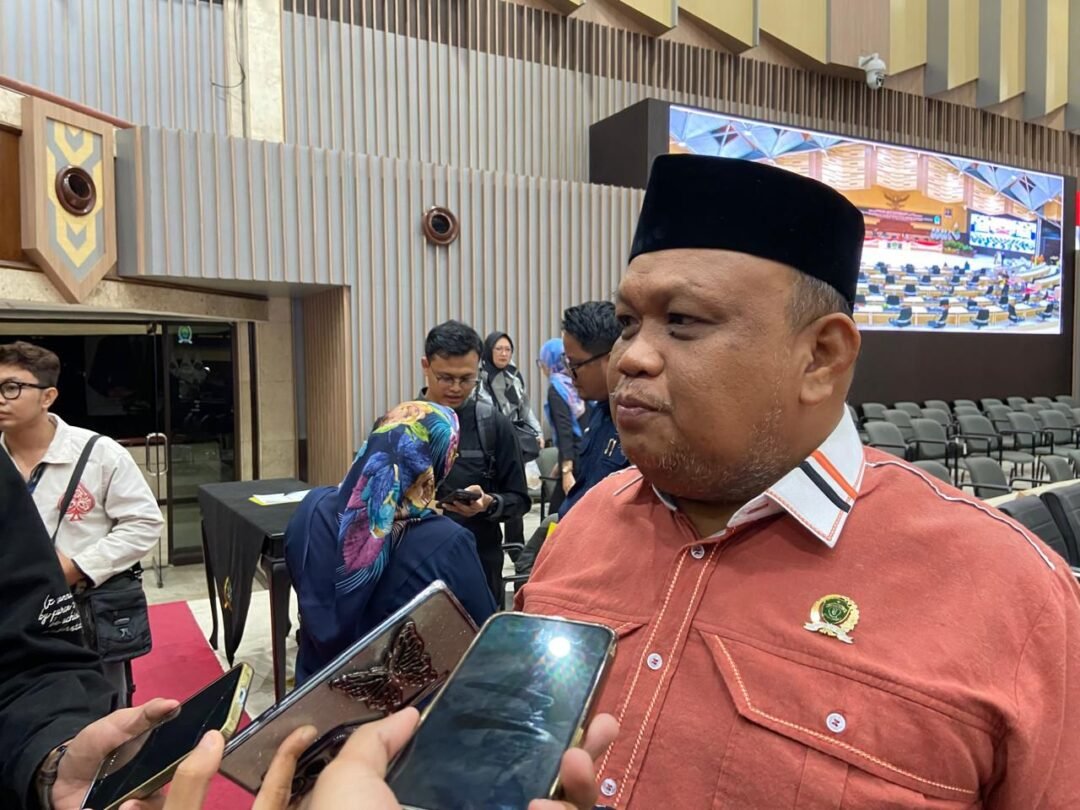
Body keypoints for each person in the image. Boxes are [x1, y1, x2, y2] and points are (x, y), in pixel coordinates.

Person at [518, 155, 1080, 808]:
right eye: (626, 324)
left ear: (821, 356)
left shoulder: (1011, 594)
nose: (632, 358)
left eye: (683, 322)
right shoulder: (581, 529)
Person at [286, 401, 497, 684]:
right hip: (397, 705)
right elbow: (485, 635)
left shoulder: (312, 508)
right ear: (438, 461)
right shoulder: (448, 543)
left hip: (310, 693)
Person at [0, 341, 163, 704]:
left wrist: (76, 567)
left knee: (100, 708)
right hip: (13, 615)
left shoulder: (97, 453)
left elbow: (143, 522)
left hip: (84, 610)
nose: (1, 398)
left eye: (11, 387)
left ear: (48, 396)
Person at [419, 321, 530, 604]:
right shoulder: (400, 426)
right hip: (416, 568)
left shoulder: (493, 424)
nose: (456, 388)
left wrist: (489, 503)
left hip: (478, 567)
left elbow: (519, 499)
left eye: (467, 379)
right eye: (445, 378)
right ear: (425, 366)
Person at [557, 302, 628, 519]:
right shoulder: (599, 411)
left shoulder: (636, 423)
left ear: (612, 358)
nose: (570, 375)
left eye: (575, 365)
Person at [478, 331, 543, 552]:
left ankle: (516, 547)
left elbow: (525, 408)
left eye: (507, 349)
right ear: (489, 351)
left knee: (516, 491)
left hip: (514, 442)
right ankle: (491, 543)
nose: (503, 354)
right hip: (491, 442)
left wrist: (537, 432)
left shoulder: (514, 377)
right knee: (492, 492)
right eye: (498, 349)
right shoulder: (481, 377)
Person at [537, 338, 586, 515]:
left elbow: (565, 431)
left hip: (574, 462)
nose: (541, 366)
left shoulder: (557, 389)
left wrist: (566, 471)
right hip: (585, 453)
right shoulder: (575, 383)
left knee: (558, 514)